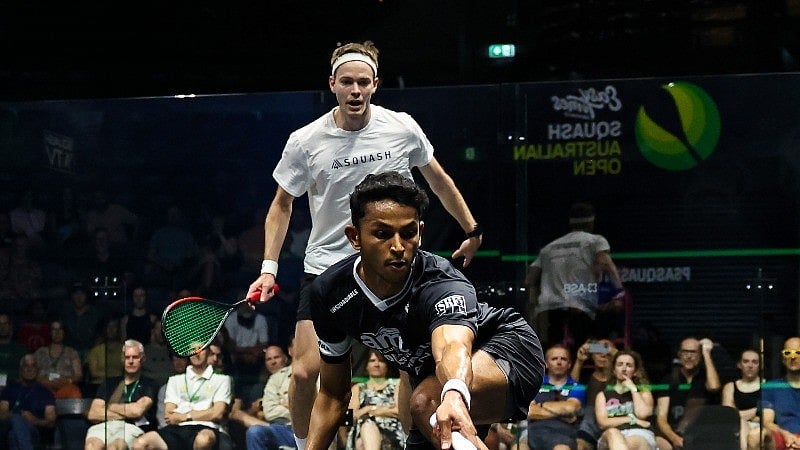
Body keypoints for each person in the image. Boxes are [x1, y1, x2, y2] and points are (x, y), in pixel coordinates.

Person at [245, 40, 483, 450]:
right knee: (305, 373)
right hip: (327, 269)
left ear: (375, 85)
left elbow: (437, 179)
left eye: (363, 83)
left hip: (395, 268)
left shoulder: (401, 126)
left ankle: (417, 443)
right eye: (347, 82)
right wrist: (268, 269)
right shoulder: (305, 140)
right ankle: (304, 447)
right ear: (333, 84)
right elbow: (281, 205)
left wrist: (471, 229)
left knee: (412, 366)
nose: (355, 91)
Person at [305, 172, 543, 450]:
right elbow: (333, 395)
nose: (397, 247)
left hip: (508, 349)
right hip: (432, 380)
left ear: (420, 231)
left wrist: (454, 392)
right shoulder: (329, 293)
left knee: (426, 402)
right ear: (354, 237)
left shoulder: (441, 283)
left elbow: (452, 347)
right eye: (382, 234)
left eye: (408, 233)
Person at [524, 202, 624, 350]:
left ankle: (563, 358)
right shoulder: (595, 241)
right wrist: (619, 291)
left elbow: (529, 280)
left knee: (554, 346)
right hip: (580, 307)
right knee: (589, 344)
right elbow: (606, 263)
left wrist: (532, 306)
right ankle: (607, 351)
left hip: (550, 309)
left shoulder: (548, 248)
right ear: (591, 222)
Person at [134, 345, 232, 450]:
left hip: (206, 427)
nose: (196, 353)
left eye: (200, 349)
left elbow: (217, 413)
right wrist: (205, 412)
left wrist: (185, 416)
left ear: (208, 352)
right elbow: (169, 415)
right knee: (141, 443)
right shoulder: (174, 380)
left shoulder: (222, 380)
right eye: (192, 350)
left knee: (204, 440)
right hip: (176, 429)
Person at [85, 339, 159, 450]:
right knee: (92, 446)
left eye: (135, 357)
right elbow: (93, 414)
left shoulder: (149, 384)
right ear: (122, 359)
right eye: (127, 357)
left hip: (130, 426)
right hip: (104, 426)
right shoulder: (109, 382)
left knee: (114, 448)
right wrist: (127, 412)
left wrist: (108, 406)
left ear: (142, 359)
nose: (130, 361)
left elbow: (137, 411)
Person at [654, 336, 721, 450]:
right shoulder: (669, 379)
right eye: (685, 352)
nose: (689, 356)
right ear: (679, 354)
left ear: (700, 355)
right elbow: (661, 418)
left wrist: (706, 353)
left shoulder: (706, 377)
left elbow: (714, 387)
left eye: (693, 352)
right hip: (674, 432)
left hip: (702, 433)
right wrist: (674, 438)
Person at [526, 344, 585, 450]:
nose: (559, 362)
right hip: (535, 431)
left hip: (565, 433)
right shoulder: (534, 385)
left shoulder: (577, 387)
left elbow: (570, 408)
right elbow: (528, 411)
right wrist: (561, 414)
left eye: (563, 359)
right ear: (546, 364)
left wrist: (540, 406)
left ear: (569, 364)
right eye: (554, 359)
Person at [594, 350, 656, 450]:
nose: (624, 369)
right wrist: (632, 419)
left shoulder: (644, 392)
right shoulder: (603, 395)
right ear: (614, 370)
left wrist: (633, 390)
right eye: (620, 364)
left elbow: (643, 414)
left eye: (629, 365)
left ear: (635, 371)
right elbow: (603, 423)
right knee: (613, 433)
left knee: (638, 441)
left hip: (639, 432)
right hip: (611, 435)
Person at [345, 350, 406, 450]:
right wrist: (382, 409)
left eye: (381, 361)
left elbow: (400, 411)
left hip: (391, 429)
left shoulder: (397, 384)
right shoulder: (358, 388)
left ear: (387, 364)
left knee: (362, 443)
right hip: (364, 428)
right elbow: (349, 417)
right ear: (366, 365)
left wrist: (368, 410)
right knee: (367, 427)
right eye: (372, 361)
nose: (376, 364)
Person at [242, 346, 295, 450]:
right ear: (290, 351)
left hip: (309, 428)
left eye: (276, 357)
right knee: (254, 431)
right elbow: (269, 411)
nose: (273, 362)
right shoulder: (273, 379)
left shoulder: (318, 374)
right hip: (282, 427)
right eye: (269, 359)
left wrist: (284, 405)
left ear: (285, 357)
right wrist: (292, 408)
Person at [0, 354, 56, 449]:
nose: (30, 369)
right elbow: (1, 415)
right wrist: (16, 415)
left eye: (33, 366)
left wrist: (34, 420)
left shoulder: (45, 392)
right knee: (16, 418)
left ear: (37, 369)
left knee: (13, 435)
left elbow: (51, 422)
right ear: (21, 369)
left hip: (34, 431)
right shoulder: (10, 389)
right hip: (8, 427)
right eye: (26, 366)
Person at [753, 336, 800, 450]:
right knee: (754, 436)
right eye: (788, 352)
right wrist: (785, 434)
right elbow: (767, 422)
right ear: (783, 359)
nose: (793, 356)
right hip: (783, 436)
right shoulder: (771, 387)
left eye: (798, 352)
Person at [571, 339, 617, 450]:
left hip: (613, 421)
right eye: (598, 352)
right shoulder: (586, 375)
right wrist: (579, 361)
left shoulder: (621, 377)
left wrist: (594, 347)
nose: (603, 354)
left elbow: (621, 355)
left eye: (607, 351)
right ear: (592, 356)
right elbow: (571, 388)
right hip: (588, 424)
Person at [721, 348, 761, 450]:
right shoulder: (730, 387)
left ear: (759, 365)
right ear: (739, 365)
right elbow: (728, 415)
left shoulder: (767, 386)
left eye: (755, 362)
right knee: (741, 423)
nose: (750, 366)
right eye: (746, 361)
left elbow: (769, 414)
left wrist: (741, 414)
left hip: (761, 429)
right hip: (737, 429)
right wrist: (757, 410)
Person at [32, 320, 83, 399]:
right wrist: (43, 381)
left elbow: (78, 375)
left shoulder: (72, 352)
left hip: (65, 387)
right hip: (44, 387)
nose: (57, 333)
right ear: (50, 333)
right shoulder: (40, 352)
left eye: (60, 329)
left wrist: (67, 381)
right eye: (54, 330)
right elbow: (32, 372)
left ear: (64, 332)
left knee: (74, 393)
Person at [86, 317, 125, 397]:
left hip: (119, 386)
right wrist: (114, 376)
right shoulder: (95, 350)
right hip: (98, 386)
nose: (111, 329)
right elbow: (94, 373)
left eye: (114, 326)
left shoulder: (125, 349)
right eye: (108, 326)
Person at [0, 314, 29, 392]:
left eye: (5, 324)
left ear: (10, 326)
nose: (2, 327)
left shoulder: (21, 349)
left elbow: (27, 373)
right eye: (0, 324)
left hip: (15, 391)